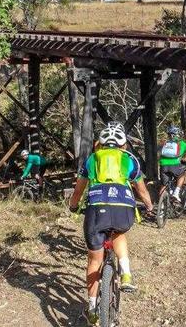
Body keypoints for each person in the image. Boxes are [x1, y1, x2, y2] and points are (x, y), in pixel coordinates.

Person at [68, 125, 155, 325]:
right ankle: (126, 274)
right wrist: (149, 206)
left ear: (100, 143)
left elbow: (78, 191)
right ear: (123, 143)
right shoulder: (129, 159)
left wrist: (73, 206)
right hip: (122, 210)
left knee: (94, 261)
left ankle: (92, 309)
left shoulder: (92, 159)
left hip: (96, 212)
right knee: (118, 232)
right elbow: (141, 189)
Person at [159, 125, 186, 203]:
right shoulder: (183, 144)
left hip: (163, 165)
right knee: (182, 174)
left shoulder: (165, 143)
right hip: (175, 164)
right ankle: (176, 193)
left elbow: (160, 154)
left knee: (163, 185)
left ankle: (161, 208)